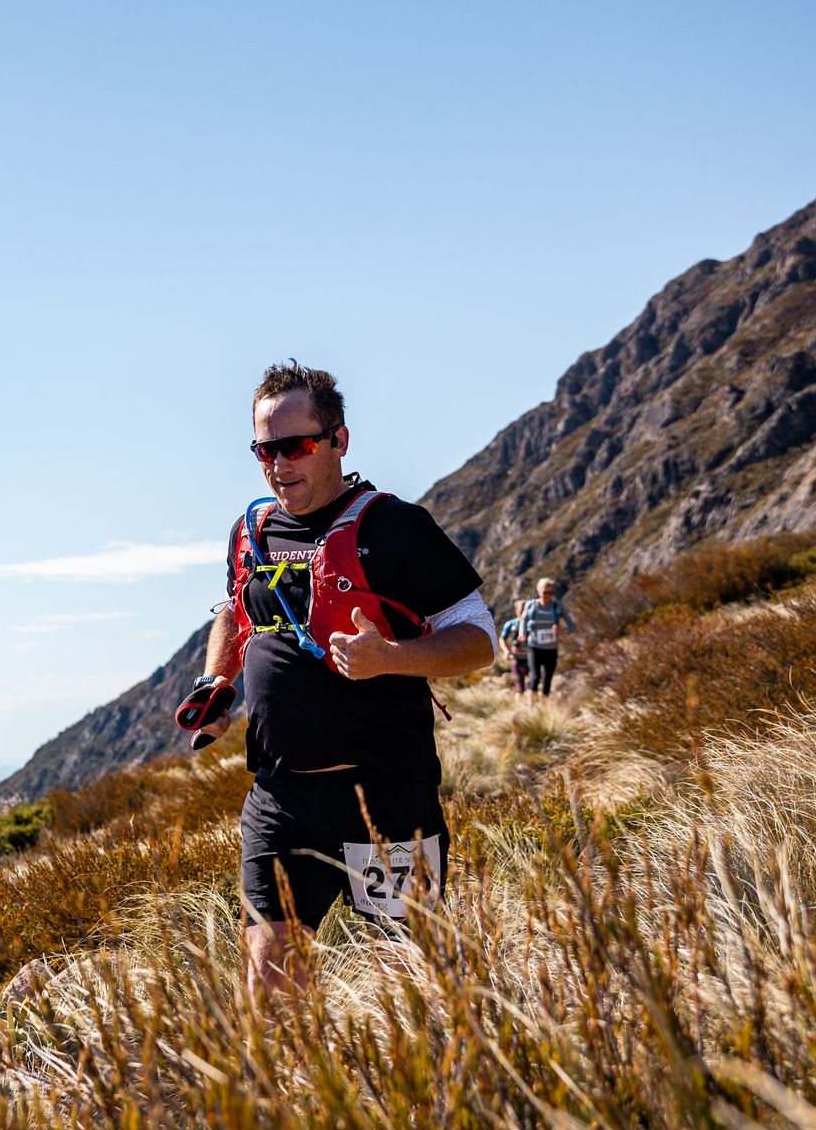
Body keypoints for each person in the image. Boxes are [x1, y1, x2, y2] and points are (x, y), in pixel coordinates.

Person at [179, 362, 495, 1003]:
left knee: (413, 987)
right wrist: (216, 683)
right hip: (278, 800)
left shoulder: (394, 527)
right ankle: (287, 1103)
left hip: (383, 798)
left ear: (339, 441)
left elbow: (480, 639)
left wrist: (392, 658)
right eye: (264, 450)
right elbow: (235, 610)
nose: (277, 464)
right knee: (270, 991)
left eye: (295, 446)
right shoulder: (252, 531)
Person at [520, 578, 576, 698]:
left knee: (548, 677)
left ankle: (543, 706)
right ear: (538, 591)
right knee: (535, 677)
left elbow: (572, 626)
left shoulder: (558, 606)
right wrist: (522, 633)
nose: (547, 596)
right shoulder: (531, 605)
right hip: (534, 647)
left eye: (551, 593)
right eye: (545, 592)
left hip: (551, 648)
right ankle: (531, 706)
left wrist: (562, 630)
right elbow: (523, 620)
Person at [498, 598, 531, 694]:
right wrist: (506, 651)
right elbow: (502, 638)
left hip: (531, 658)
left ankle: (531, 705)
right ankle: (519, 705)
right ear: (516, 610)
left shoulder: (532, 624)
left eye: (527, 609)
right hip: (516, 658)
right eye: (522, 609)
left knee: (532, 682)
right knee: (519, 684)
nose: (525, 612)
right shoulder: (510, 624)